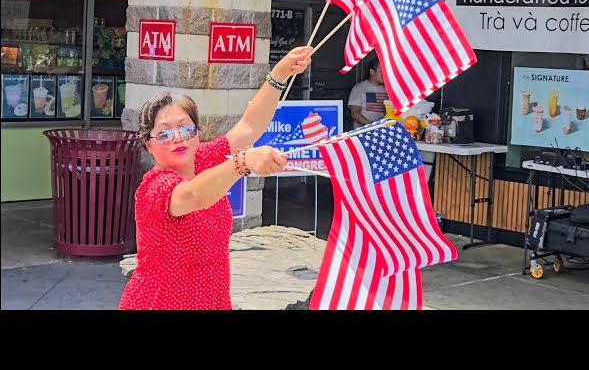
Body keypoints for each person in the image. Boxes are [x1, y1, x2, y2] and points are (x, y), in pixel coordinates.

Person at [118, 45, 313, 310]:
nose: (177, 138)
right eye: (164, 133)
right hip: (161, 302)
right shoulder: (156, 185)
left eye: (186, 128)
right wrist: (243, 163)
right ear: (149, 145)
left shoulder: (203, 160)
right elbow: (195, 195)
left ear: (198, 132)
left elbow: (249, 126)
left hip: (212, 298)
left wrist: (278, 74)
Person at [347, 56, 388, 129]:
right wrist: (372, 125)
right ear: (372, 72)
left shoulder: (388, 89)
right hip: (363, 132)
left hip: (383, 131)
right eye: (381, 72)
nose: (385, 74)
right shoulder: (359, 88)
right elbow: (355, 113)